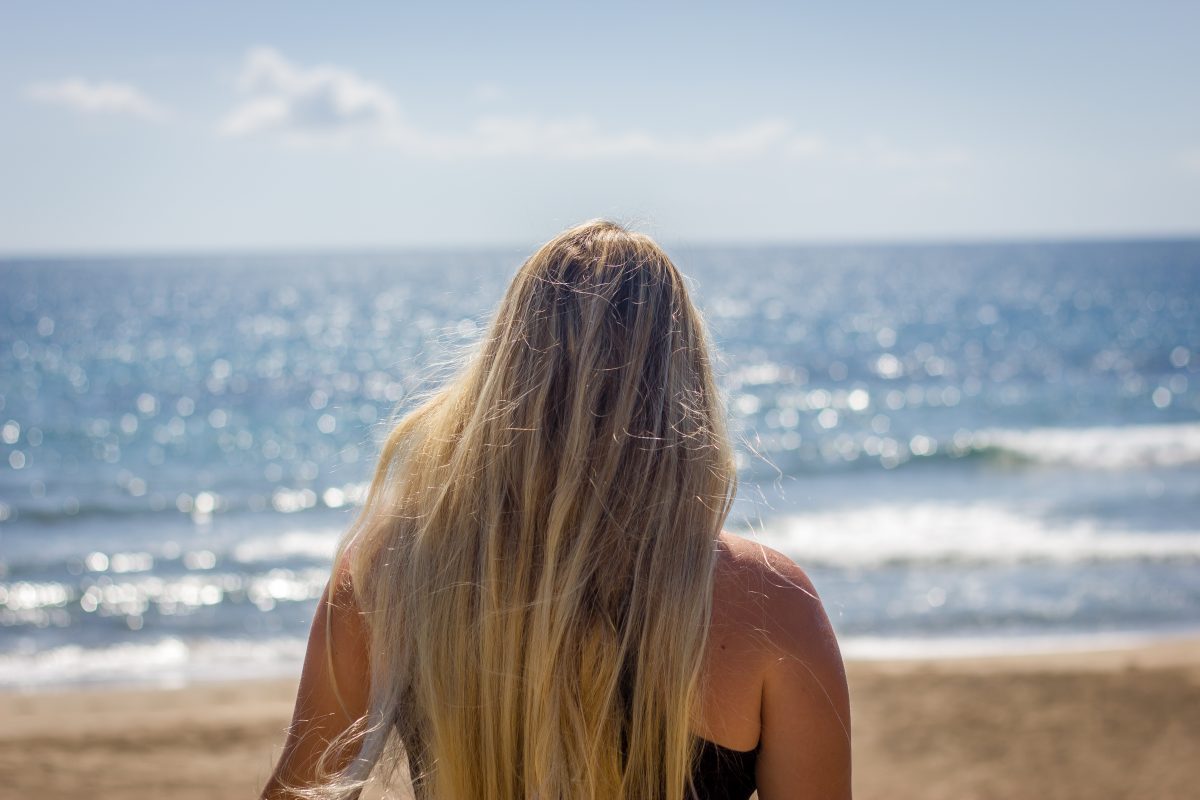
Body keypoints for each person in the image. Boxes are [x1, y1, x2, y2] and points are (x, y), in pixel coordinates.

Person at [260, 220, 851, 800]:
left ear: (504, 373)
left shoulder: (389, 573)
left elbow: (298, 792)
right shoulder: (771, 604)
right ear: (683, 387)